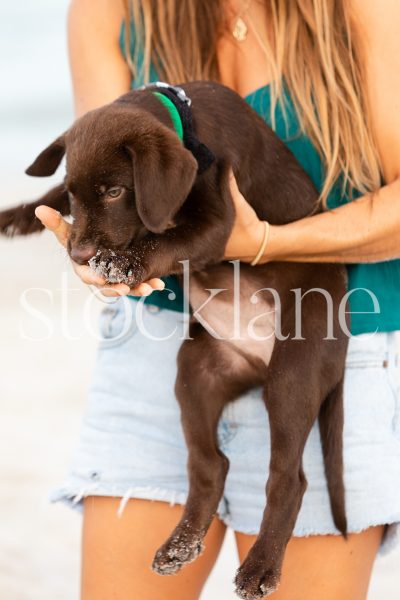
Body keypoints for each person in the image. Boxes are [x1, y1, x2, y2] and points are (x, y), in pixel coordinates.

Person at [36, 1, 400, 598]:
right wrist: (91, 252)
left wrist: (268, 243)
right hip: (163, 337)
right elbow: (99, 174)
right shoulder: (110, 9)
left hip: (329, 333)